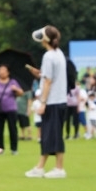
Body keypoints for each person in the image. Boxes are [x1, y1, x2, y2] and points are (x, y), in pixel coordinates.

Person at [25, 25, 68, 178]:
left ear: (45, 39)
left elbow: (49, 81)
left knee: (53, 135)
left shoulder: (48, 56)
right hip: (59, 100)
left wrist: (42, 102)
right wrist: (40, 74)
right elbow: (49, 76)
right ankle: (40, 167)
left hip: (52, 101)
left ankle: (59, 168)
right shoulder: (59, 54)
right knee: (49, 135)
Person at [0, 65, 24, 155]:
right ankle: (0, 148)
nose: (2, 72)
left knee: (13, 129)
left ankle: (14, 149)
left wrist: (16, 89)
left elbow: (21, 93)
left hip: (11, 109)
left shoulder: (13, 82)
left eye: (4, 70)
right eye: (0, 70)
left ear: (8, 72)